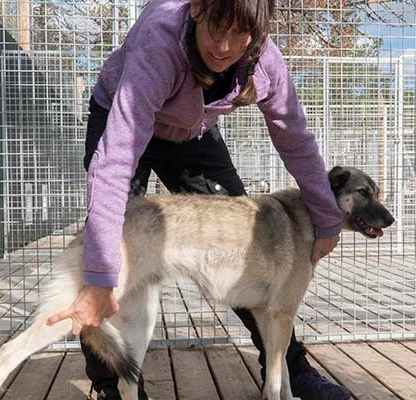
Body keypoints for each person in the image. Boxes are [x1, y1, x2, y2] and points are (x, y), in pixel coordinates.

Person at [47, 0, 350, 399]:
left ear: (256, 33)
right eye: (216, 29)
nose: (224, 47)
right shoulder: (161, 41)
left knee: (250, 244)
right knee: (107, 249)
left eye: (239, 34)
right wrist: (101, 276)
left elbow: (295, 138)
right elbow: (116, 158)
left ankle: (291, 372)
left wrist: (328, 218)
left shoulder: (265, 59)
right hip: (125, 117)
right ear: (197, 11)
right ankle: (110, 385)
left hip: (191, 134)